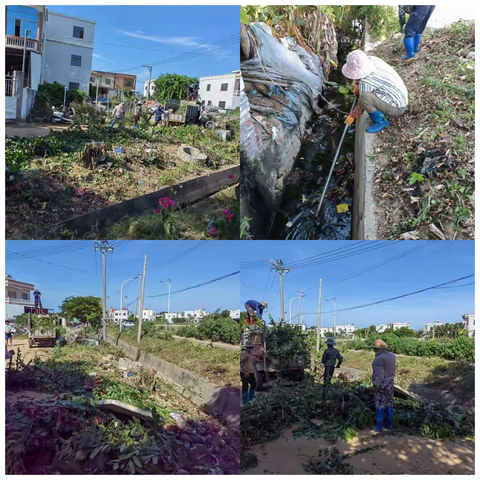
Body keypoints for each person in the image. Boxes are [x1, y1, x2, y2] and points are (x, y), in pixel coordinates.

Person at [343, 49, 408, 133]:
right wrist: (357, 83)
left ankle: (382, 121)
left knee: (364, 99)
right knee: (366, 97)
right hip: (400, 96)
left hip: (398, 107)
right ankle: (378, 114)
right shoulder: (373, 60)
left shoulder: (366, 81)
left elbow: (362, 104)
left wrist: (352, 116)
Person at [372, 339, 397, 432]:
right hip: (390, 382)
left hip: (382, 384)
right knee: (389, 402)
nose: (373, 350)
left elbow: (380, 376)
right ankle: (389, 424)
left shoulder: (378, 359)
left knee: (379, 404)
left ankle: (379, 427)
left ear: (378, 349)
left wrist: (375, 386)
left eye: (374, 348)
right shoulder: (392, 356)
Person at [240, 340, 257, 405]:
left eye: (251, 347)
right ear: (247, 347)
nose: (251, 348)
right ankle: (245, 402)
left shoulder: (250, 353)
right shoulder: (243, 353)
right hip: (245, 372)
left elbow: (251, 362)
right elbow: (241, 363)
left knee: (254, 384)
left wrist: (256, 361)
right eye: (250, 347)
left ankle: (250, 398)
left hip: (251, 372)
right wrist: (245, 371)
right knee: (245, 386)